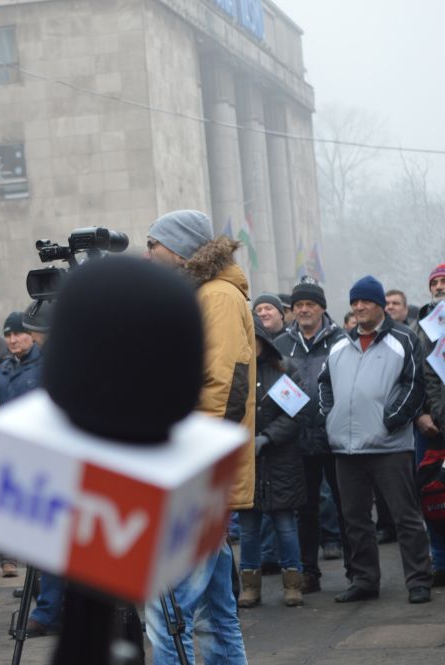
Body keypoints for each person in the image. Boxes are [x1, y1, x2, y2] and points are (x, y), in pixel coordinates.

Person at [144, 209, 254, 665]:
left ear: (179, 250)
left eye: (153, 244)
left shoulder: (217, 297)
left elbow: (225, 389)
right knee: (214, 613)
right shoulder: (205, 294)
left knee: (166, 610)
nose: (147, 254)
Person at [319, 275, 432, 604]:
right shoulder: (340, 344)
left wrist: (393, 419)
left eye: (365, 301)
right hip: (346, 448)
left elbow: (416, 384)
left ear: (380, 304)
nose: (359, 307)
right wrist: (331, 415)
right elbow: (325, 383)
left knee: (405, 516)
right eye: (354, 302)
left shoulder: (403, 339)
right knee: (355, 519)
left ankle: (418, 580)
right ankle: (365, 580)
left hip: (389, 446)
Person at [273, 279, 349, 593]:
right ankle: (308, 573)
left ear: (322, 308)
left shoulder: (341, 340)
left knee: (347, 507)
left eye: (310, 304)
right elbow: (275, 387)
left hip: (336, 437)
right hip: (299, 439)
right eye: (299, 305)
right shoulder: (281, 344)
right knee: (305, 510)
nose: (304, 310)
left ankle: (357, 571)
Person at [237, 316, 305, 608]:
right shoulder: (233, 373)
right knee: (248, 530)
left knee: (285, 526)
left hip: (281, 461)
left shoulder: (284, 369)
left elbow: (296, 415)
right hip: (246, 462)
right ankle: (250, 587)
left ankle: (293, 584)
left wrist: (267, 437)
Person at [413, 263, 445, 584]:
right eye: (434, 282)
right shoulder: (419, 328)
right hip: (429, 426)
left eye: (444, 281)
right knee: (432, 493)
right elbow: (411, 377)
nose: (439, 287)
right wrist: (419, 414)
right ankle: (440, 560)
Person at [0, 312, 43, 406]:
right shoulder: (1, 371)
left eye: (17, 334)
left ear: (31, 335)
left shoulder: (45, 366)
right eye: (8, 335)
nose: (12, 340)